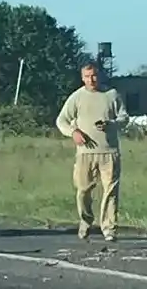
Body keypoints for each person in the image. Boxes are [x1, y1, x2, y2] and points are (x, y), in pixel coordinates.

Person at [56, 63, 129, 242]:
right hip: (85, 153)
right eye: (87, 76)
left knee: (110, 190)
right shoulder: (77, 97)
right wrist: (73, 132)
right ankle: (86, 220)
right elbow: (61, 120)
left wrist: (111, 124)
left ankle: (109, 227)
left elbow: (124, 118)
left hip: (109, 151)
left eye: (94, 75)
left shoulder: (111, 95)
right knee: (83, 190)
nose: (91, 79)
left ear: (99, 75)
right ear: (82, 78)